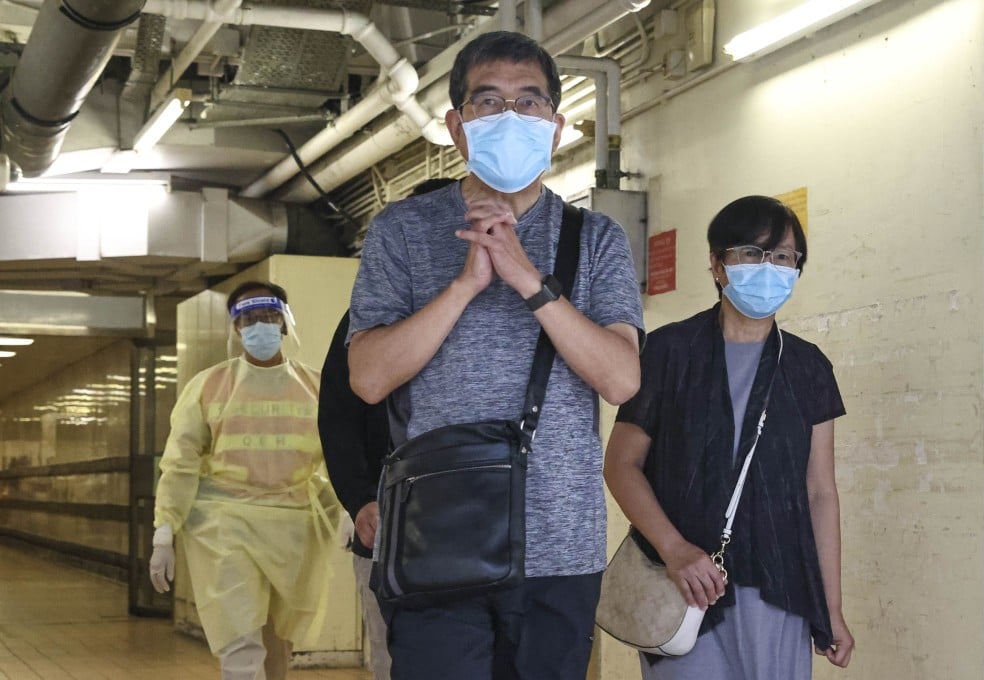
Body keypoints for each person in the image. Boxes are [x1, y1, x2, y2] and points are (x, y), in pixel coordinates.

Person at [346, 30, 645, 680]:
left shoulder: (596, 239)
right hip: (434, 538)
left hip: (559, 548)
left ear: (556, 128)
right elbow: (367, 378)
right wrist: (462, 288)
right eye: (488, 102)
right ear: (457, 127)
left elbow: (621, 379)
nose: (511, 117)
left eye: (529, 102)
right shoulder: (401, 231)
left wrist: (529, 281)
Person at [603, 195, 854, 679]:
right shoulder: (669, 353)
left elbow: (820, 491)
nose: (768, 267)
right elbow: (621, 464)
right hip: (683, 590)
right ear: (718, 265)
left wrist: (832, 607)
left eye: (783, 256)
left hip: (780, 590)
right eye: (751, 253)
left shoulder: (808, 368)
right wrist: (674, 549)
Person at [149, 281, 341, 680]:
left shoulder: (317, 388)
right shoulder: (208, 386)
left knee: (279, 638)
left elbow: (342, 456)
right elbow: (181, 461)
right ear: (236, 329)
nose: (260, 326)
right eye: (249, 319)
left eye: (269, 316)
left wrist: (355, 508)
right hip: (227, 525)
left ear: (285, 323)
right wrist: (165, 529)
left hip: (295, 529)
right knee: (239, 637)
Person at [318, 176, 458, 680]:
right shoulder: (365, 323)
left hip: (486, 527)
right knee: (396, 660)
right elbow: (338, 418)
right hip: (390, 527)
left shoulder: (500, 311)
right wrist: (358, 500)